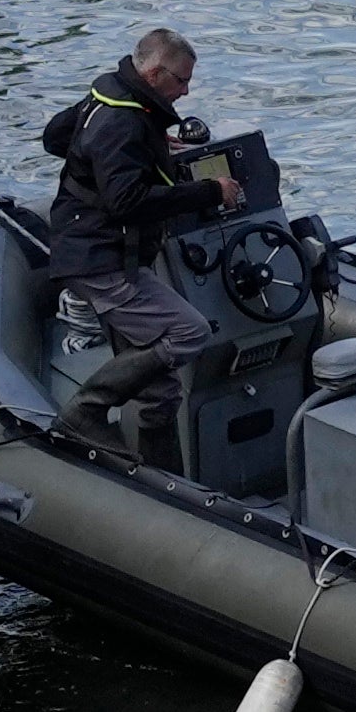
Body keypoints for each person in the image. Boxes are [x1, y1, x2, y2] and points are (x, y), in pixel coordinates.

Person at [39, 30, 222, 433]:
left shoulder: (112, 94)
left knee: (162, 391)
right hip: (99, 258)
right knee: (190, 331)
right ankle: (83, 410)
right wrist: (209, 192)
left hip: (99, 246)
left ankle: (160, 477)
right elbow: (128, 202)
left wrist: (151, 148)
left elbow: (56, 137)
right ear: (156, 73)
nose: (187, 91)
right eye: (182, 80)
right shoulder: (122, 119)